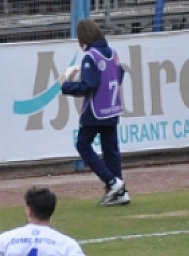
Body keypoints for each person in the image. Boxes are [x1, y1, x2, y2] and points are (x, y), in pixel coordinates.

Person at [60, 18, 129, 207]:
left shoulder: (90, 56)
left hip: (95, 110)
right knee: (111, 149)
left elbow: (89, 85)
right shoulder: (112, 53)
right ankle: (120, 191)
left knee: (83, 145)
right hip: (112, 107)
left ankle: (112, 182)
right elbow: (120, 74)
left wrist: (66, 85)